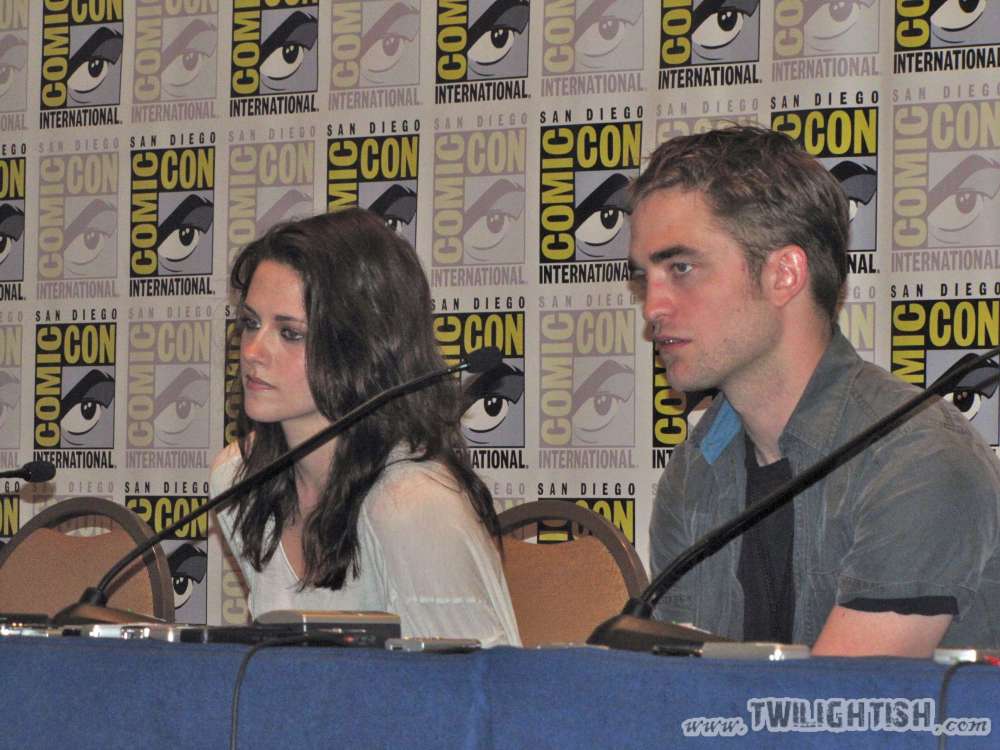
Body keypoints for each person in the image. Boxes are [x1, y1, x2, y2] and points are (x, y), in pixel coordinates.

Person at [628, 125, 1000, 656]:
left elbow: (837, 702)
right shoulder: (694, 473)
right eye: (644, 277)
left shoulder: (918, 460)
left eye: (681, 268)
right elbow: (677, 690)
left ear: (784, 274)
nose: (652, 307)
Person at [212, 208, 520, 647]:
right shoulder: (239, 480)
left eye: (290, 333)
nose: (252, 352)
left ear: (361, 348)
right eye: (250, 323)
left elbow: (474, 685)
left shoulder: (411, 506)